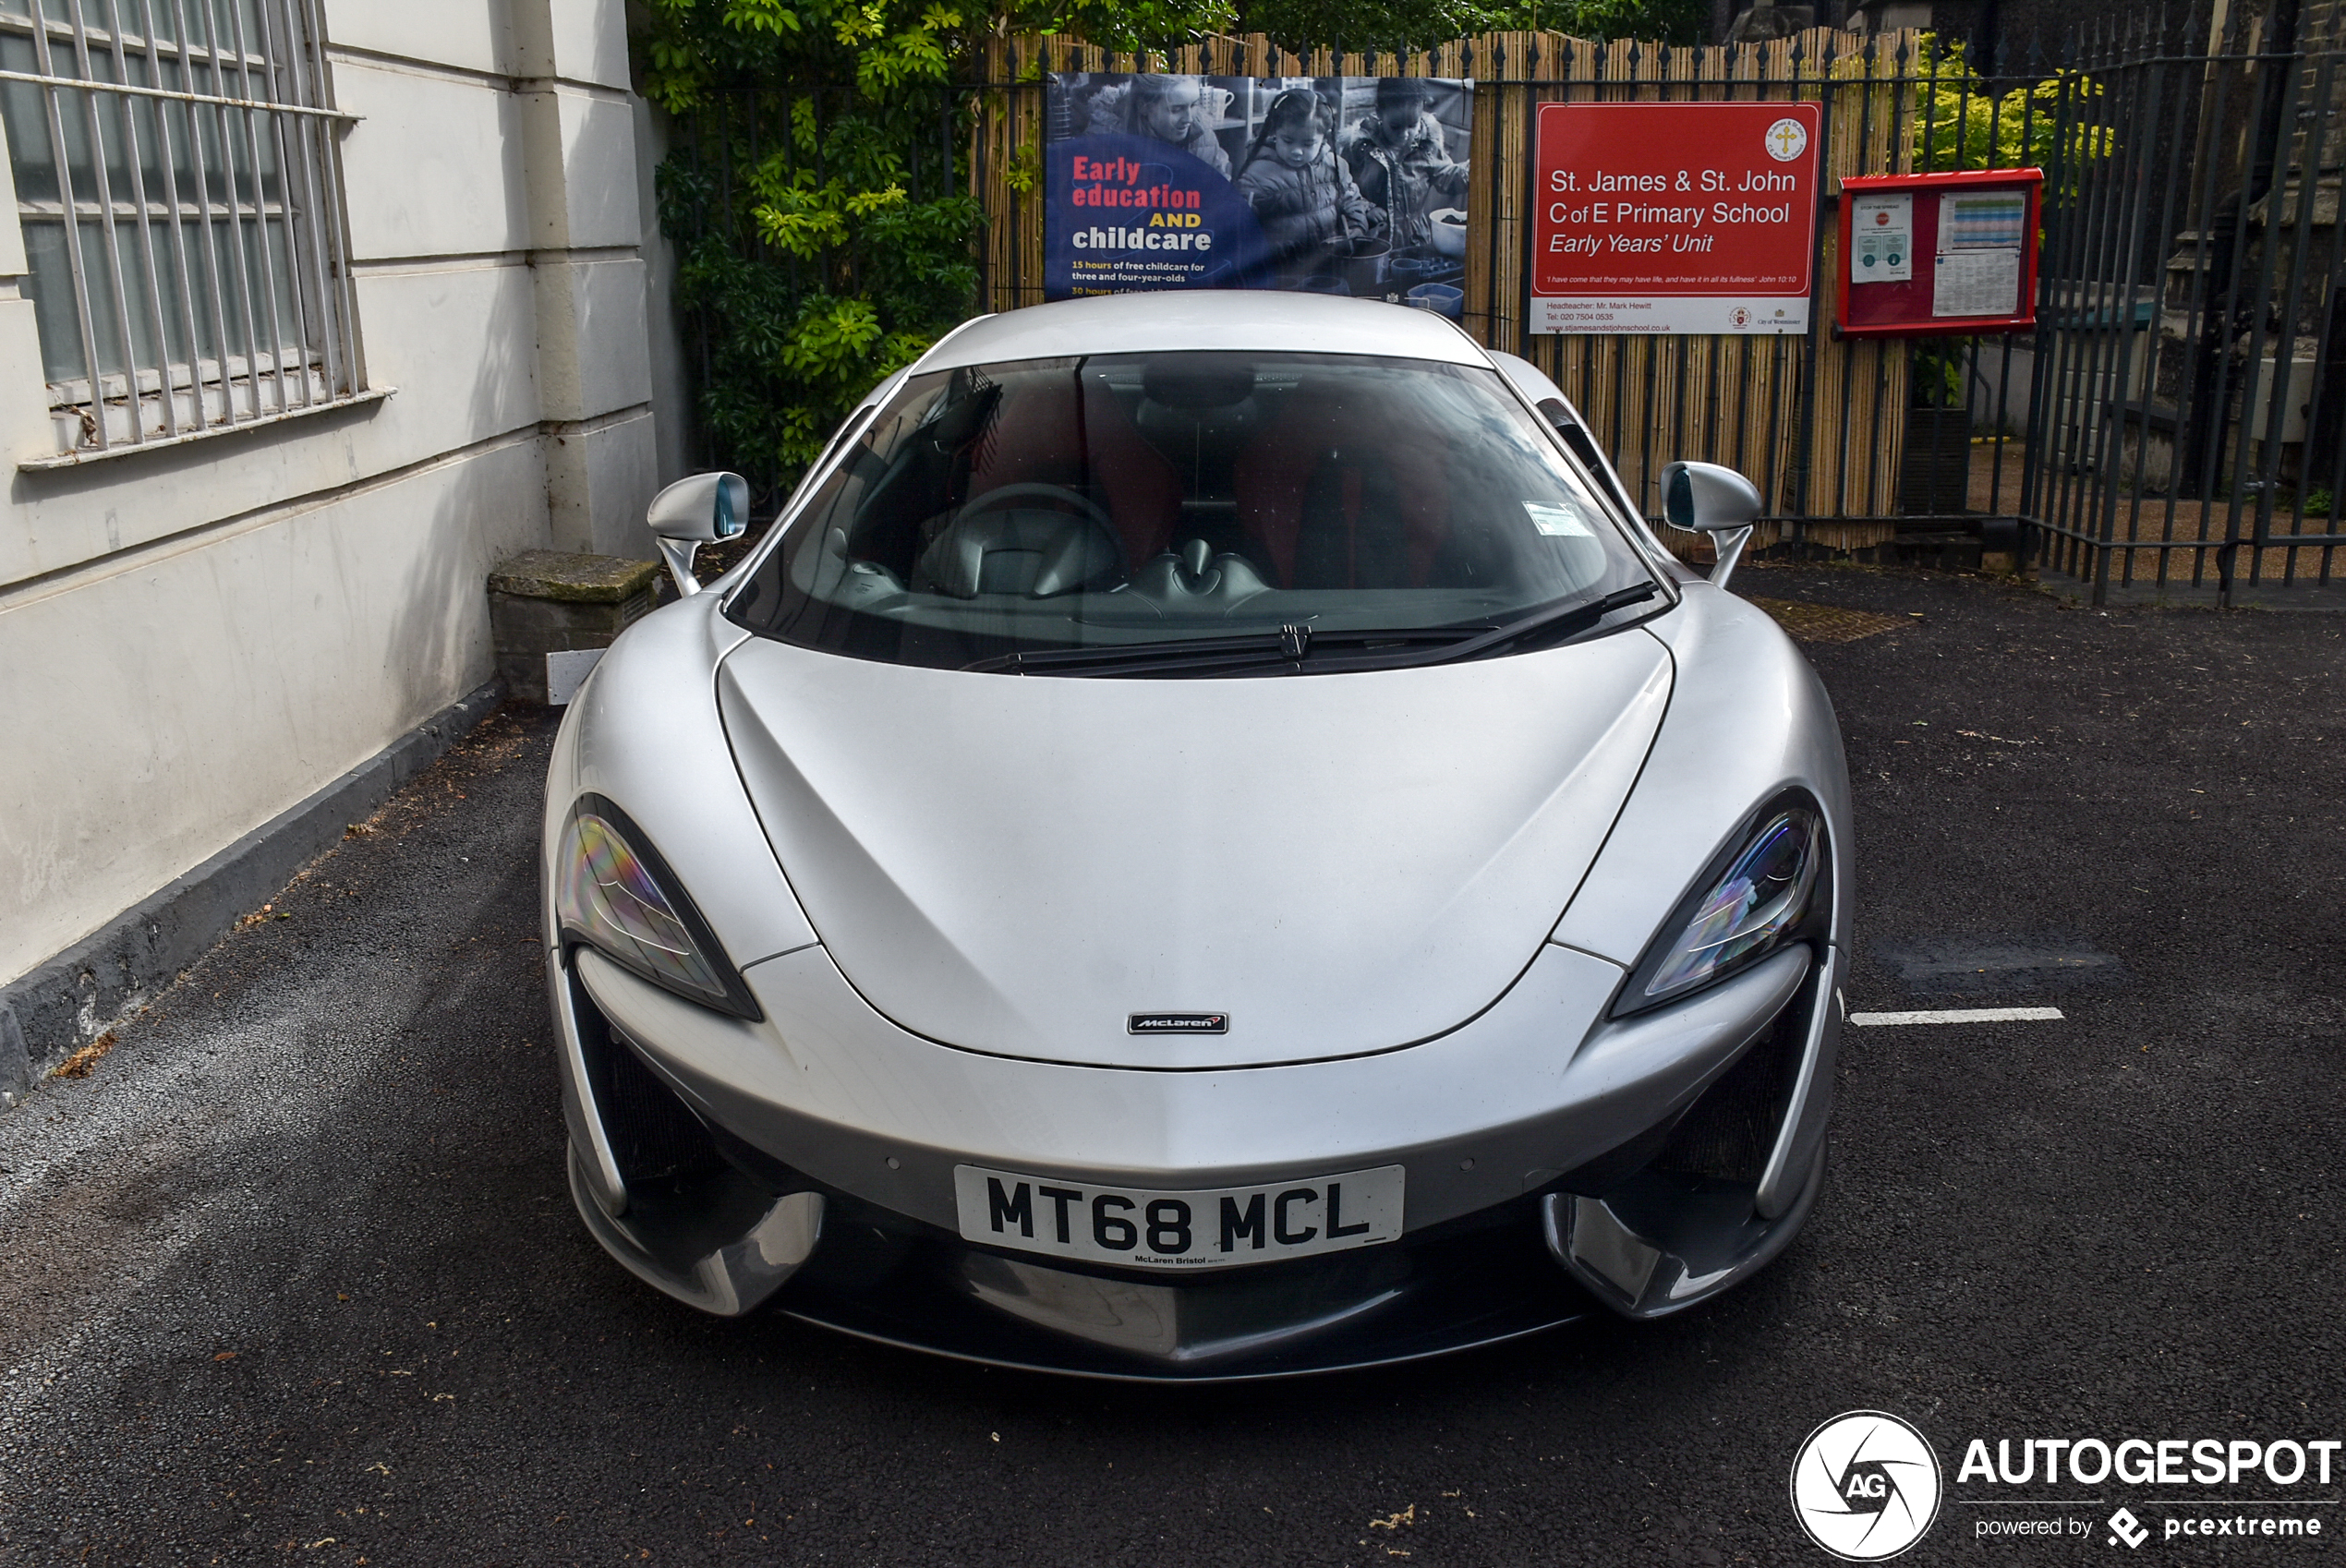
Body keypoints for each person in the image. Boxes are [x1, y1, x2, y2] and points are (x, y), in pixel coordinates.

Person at [1235, 88, 1380, 274]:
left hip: (1328, 263)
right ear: (1275, 132)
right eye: (1288, 141)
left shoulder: (1335, 166)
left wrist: (1357, 226)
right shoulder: (1257, 175)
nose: (1296, 151)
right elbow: (1241, 227)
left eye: (1307, 144)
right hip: (1281, 270)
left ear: (1324, 138)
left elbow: (1351, 199)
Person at [1342, 78, 1469, 250]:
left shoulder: (1427, 147)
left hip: (1415, 241)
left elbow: (1447, 177)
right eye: (1395, 126)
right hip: (1373, 241)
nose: (1404, 134)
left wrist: (1473, 170)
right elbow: (1344, 187)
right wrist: (1366, 208)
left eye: (1412, 125)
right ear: (1380, 113)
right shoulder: (1361, 148)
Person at [1094, 75, 1231, 176]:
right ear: (1144, 107)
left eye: (1194, 104)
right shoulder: (1104, 144)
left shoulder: (1203, 137)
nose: (1189, 119)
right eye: (1176, 109)